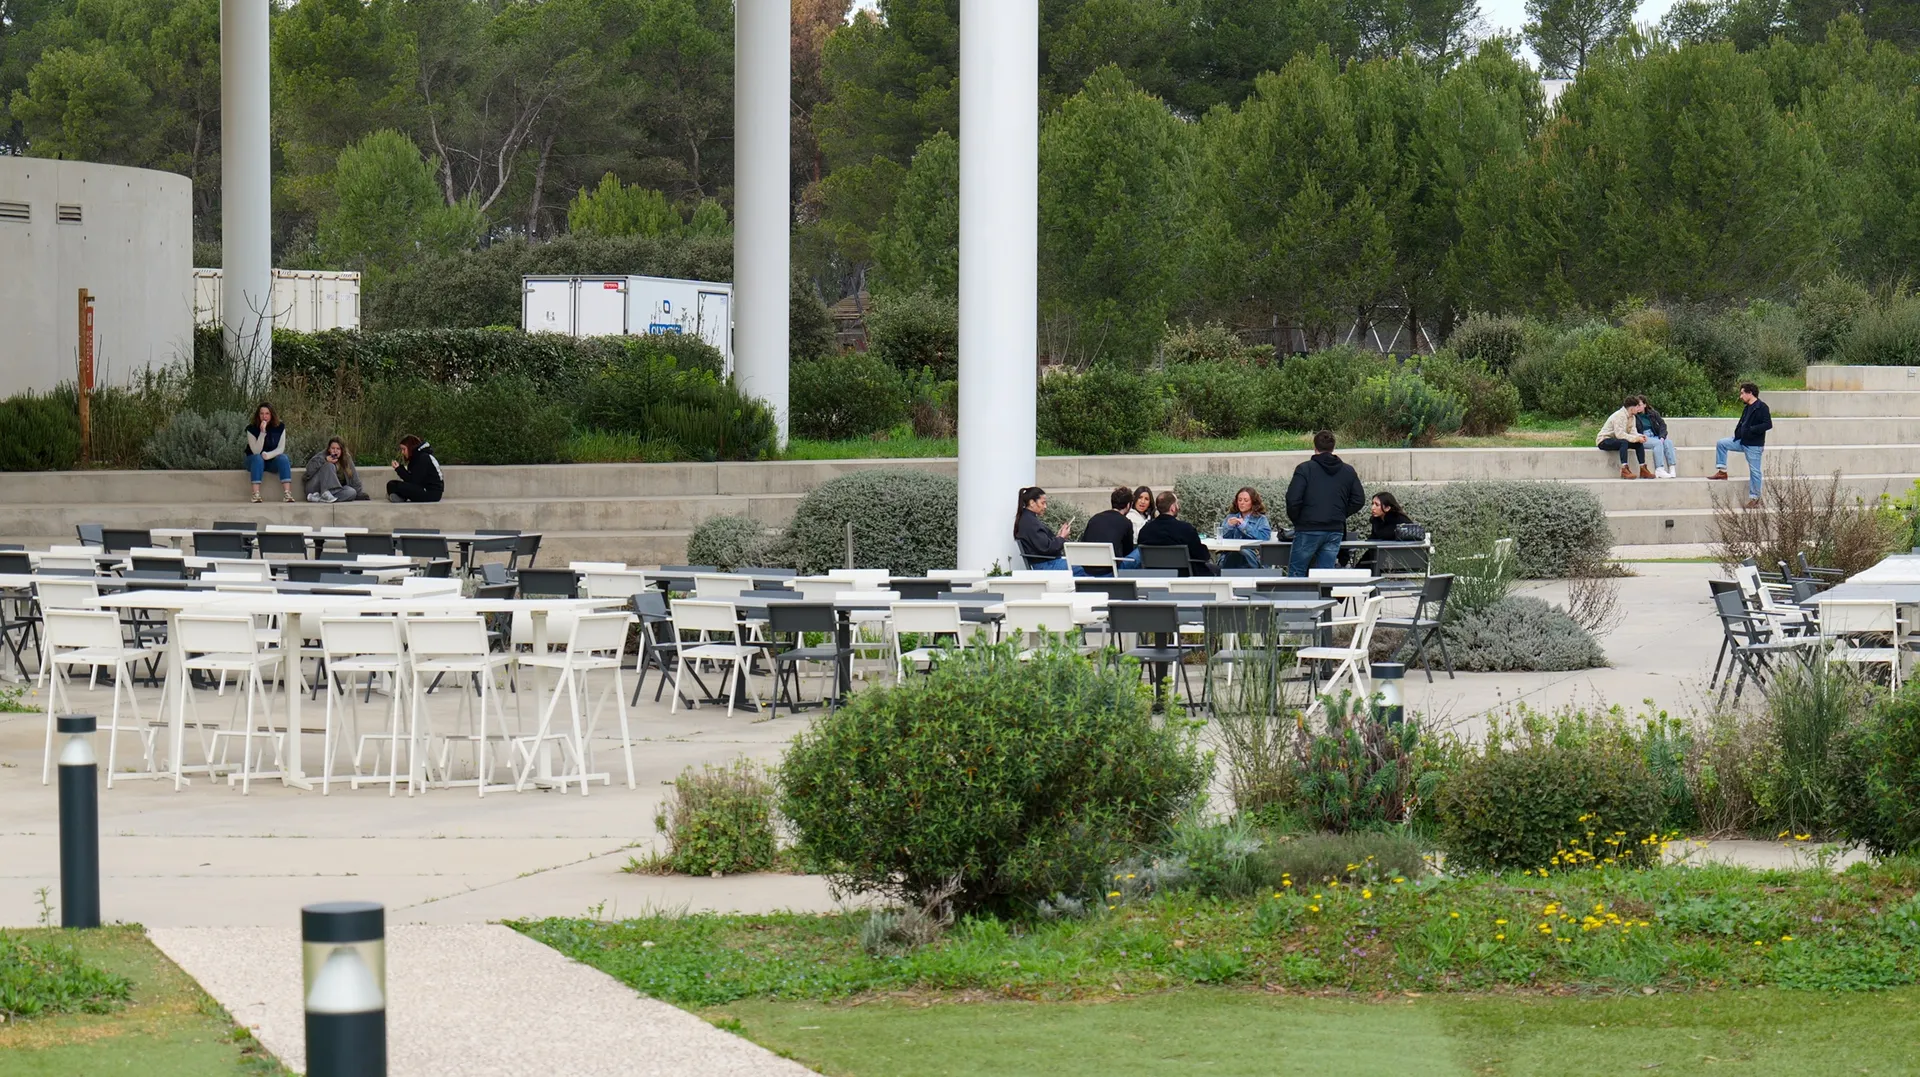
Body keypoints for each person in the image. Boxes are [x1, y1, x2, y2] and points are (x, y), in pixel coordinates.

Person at [1285, 430, 1365, 576]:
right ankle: (1324, 599)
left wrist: (1299, 520)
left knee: (1297, 574)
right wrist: (1340, 513)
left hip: (1308, 528)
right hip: (1334, 529)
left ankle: (1297, 598)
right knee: (1325, 576)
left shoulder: (1304, 469)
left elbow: (1293, 499)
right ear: (1333, 448)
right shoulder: (1348, 470)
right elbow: (1359, 499)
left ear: (1315, 448)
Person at [1711, 382, 1771, 508]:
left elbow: (1768, 424)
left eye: (1742, 393)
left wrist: (1751, 430)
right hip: (1741, 440)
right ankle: (1722, 471)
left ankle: (1755, 498)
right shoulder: (1747, 407)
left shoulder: (1762, 407)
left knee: (1755, 471)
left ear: (1750, 393)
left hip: (1754, 445)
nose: (1741, 396)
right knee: (1722, 443)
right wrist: (1739, 433)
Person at [1137, 491, 1217, 576]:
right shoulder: (1186, 529)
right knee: (1217, 570)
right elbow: (1201, 556)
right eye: (1177, 504)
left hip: (1156, 576)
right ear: (1172, 508)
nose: (1178, 507)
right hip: (1184, 577)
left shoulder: (1145, 531)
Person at [1013, 486, 1074, 571]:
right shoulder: (1030, 522)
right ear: (1032, 503)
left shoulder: (1028, 519)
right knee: (1087, 567)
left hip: (1046, 563)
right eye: (1043, 503)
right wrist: (1062, 538)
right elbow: (1046, 548)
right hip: (1046, 565)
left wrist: (1058, 537)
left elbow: (1043, 545)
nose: (1045, 507)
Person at [1080, 486, 1140, 571]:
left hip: (1088, 568)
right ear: (1128, 505)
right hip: (1111, 570)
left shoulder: (1095, 518)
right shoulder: (1126, 522)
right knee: (1139, 552)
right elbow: (1128, 552)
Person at [244, 402, 293, 504]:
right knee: (258, 458)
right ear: (258, 415)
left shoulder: (280, 427)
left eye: (267, 413)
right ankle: (255, 494)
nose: (264, 416)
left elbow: (280, 448)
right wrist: (262, 433)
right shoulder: (251, 429)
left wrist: (268, 455)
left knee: (283, 458)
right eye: (261, 413)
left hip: (270, 460)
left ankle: (287, 493)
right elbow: (256, 451)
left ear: (271, 415)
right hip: (254, 461)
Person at [1596, 396, 1652, 479]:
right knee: (1624, 442)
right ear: (1632, 408)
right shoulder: (1619, 415)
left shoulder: (1632, 417)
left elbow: (1633, 431)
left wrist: (1640, 436)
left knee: (1638, 443)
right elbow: (1620, 434)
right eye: (1637, 407)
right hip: (1604, 440)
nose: (1638, 409)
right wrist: (1635, 438)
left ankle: (1643, 468)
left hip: (1617, 440)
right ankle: (1624, 469)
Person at [1218, 486, 1272, 569]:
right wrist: (1229, 527)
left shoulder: (1261, 519)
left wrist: (1244, 526)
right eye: (1239, 500)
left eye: (1246, 500)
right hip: (1230, 555)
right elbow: (1220, 538)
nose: (1242, 503)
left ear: (1253, 502)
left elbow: (1265, 537)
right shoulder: (1230, 517)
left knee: (1242, 553)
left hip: (1252, 557)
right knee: (1234, 554)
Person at [304, 437, 368, 503]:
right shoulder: (322, 456)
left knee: (352, 492)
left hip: (335, 492)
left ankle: (321, 499)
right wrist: (324, 460)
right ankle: (324, 495)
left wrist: (359, 493)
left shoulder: (347, 458)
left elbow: (354, 477)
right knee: (329, 465)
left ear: (342, 450)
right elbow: (309, 469)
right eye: (333, 448)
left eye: (338, 449)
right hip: (315, 489)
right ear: (329, 449)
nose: (335, 451)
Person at [387, 434, 445, 504]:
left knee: (398, 487)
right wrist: (399, 469)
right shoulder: (415, 459)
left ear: (410, 448)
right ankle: (400, 496)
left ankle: (401, 496)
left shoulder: (423, 458)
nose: (402, 452)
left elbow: (414, 481)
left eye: (404, 449)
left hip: (431, 492)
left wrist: (399, 469)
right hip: (421, 487)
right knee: (391, 484)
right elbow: (412, 480)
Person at [1635, 395, 1677, 478]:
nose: (1637, 407)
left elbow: (1662, 424)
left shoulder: (1652, 413)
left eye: (1639, 405)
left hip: (1654, 435)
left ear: (1644, 405)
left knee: (1668, 442)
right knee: (1658, 443)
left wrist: (1662, 436)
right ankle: (1659, 469)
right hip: (1643, 437)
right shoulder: (1634, 416)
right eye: (1636, 405)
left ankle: (1672, 467)